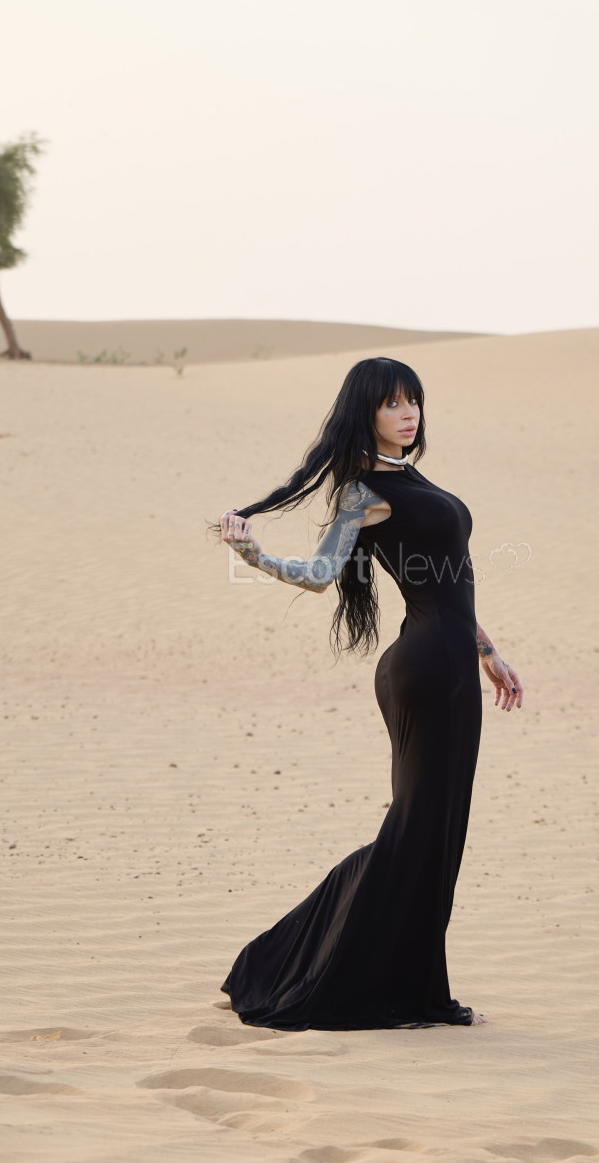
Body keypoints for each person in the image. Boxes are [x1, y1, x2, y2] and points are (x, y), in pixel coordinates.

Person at [209, 356, 523, 1030]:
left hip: (449, 663)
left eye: (414, 400)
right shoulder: (363, 492)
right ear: (367, 413)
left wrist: (488, 651)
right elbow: (322, 572)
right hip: (427, 670)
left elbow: (447, 581)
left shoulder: (409, 477)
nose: (409, 413)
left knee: (436, 830)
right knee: (419, 829)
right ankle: (359, 980)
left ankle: (387, 980)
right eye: (392, 404)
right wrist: (253, 555)